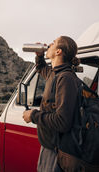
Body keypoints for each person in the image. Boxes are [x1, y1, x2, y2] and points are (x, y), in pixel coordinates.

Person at [23, 36, 84, 172]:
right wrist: (40, 56)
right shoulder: (55, 74)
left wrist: (33, 115)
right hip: (49, 145)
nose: (50, 44)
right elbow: (41, 68)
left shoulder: (66, 78)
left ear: (58, 52)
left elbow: (62, 121)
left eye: (54, 42)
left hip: (58, 151)